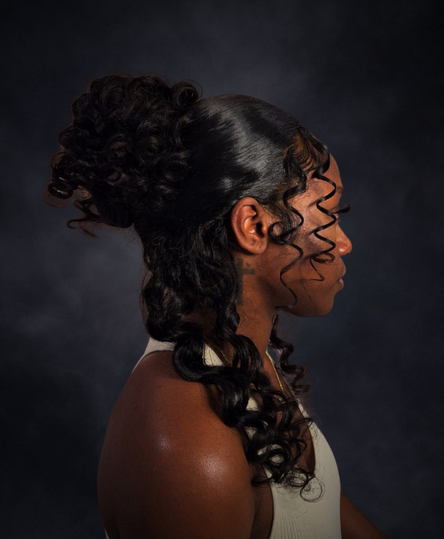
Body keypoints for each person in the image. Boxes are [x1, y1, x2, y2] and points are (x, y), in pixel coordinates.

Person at [44, 74, 388, 539]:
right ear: (253, 226)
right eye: (328, 214)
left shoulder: (242, 358)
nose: (343, 243)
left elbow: (317, 506)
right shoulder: (189, 442)